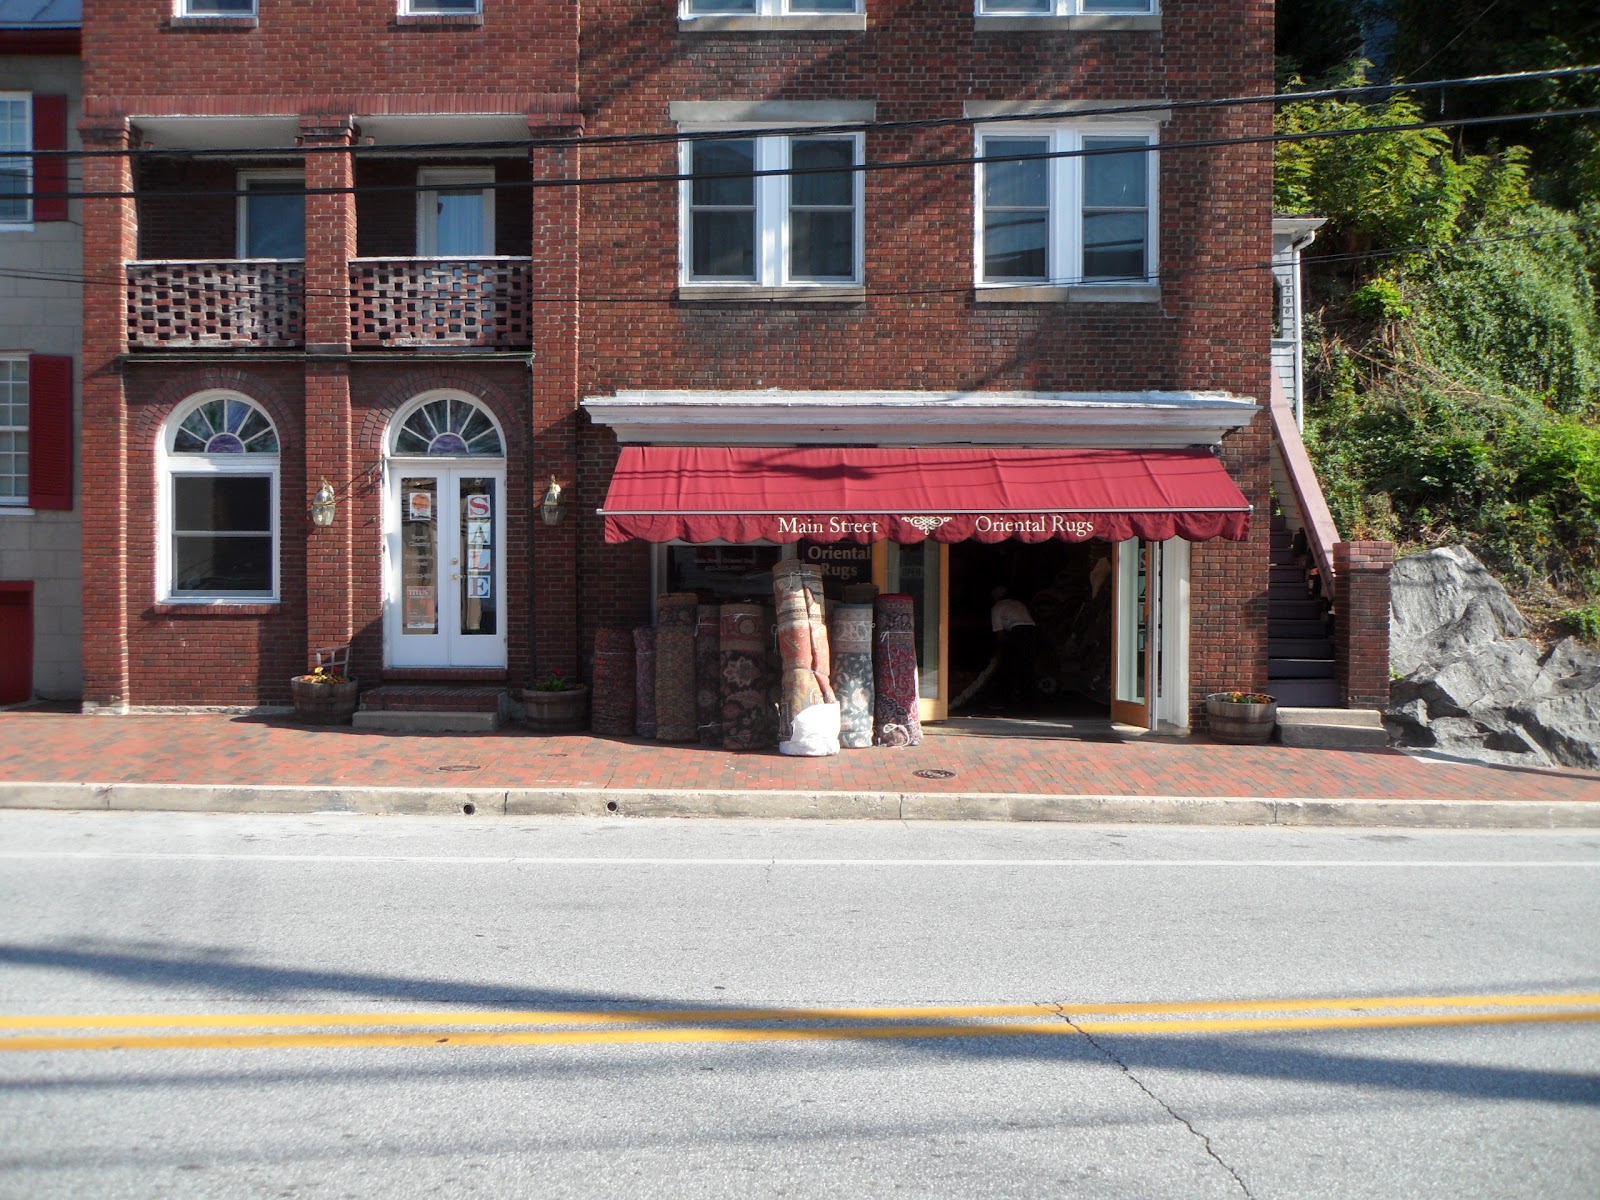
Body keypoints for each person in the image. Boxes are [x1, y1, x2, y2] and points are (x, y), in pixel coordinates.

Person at [990, 586, 1038, 710]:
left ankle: (1004, 701)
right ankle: (1029, 701)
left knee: (1008, 667)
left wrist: (999, 654)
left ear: (995, 597)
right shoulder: (1018, 604)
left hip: (1018, 632)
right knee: (1027, 666)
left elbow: (1000, 635)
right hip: (1033, 632)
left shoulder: (997, 608)